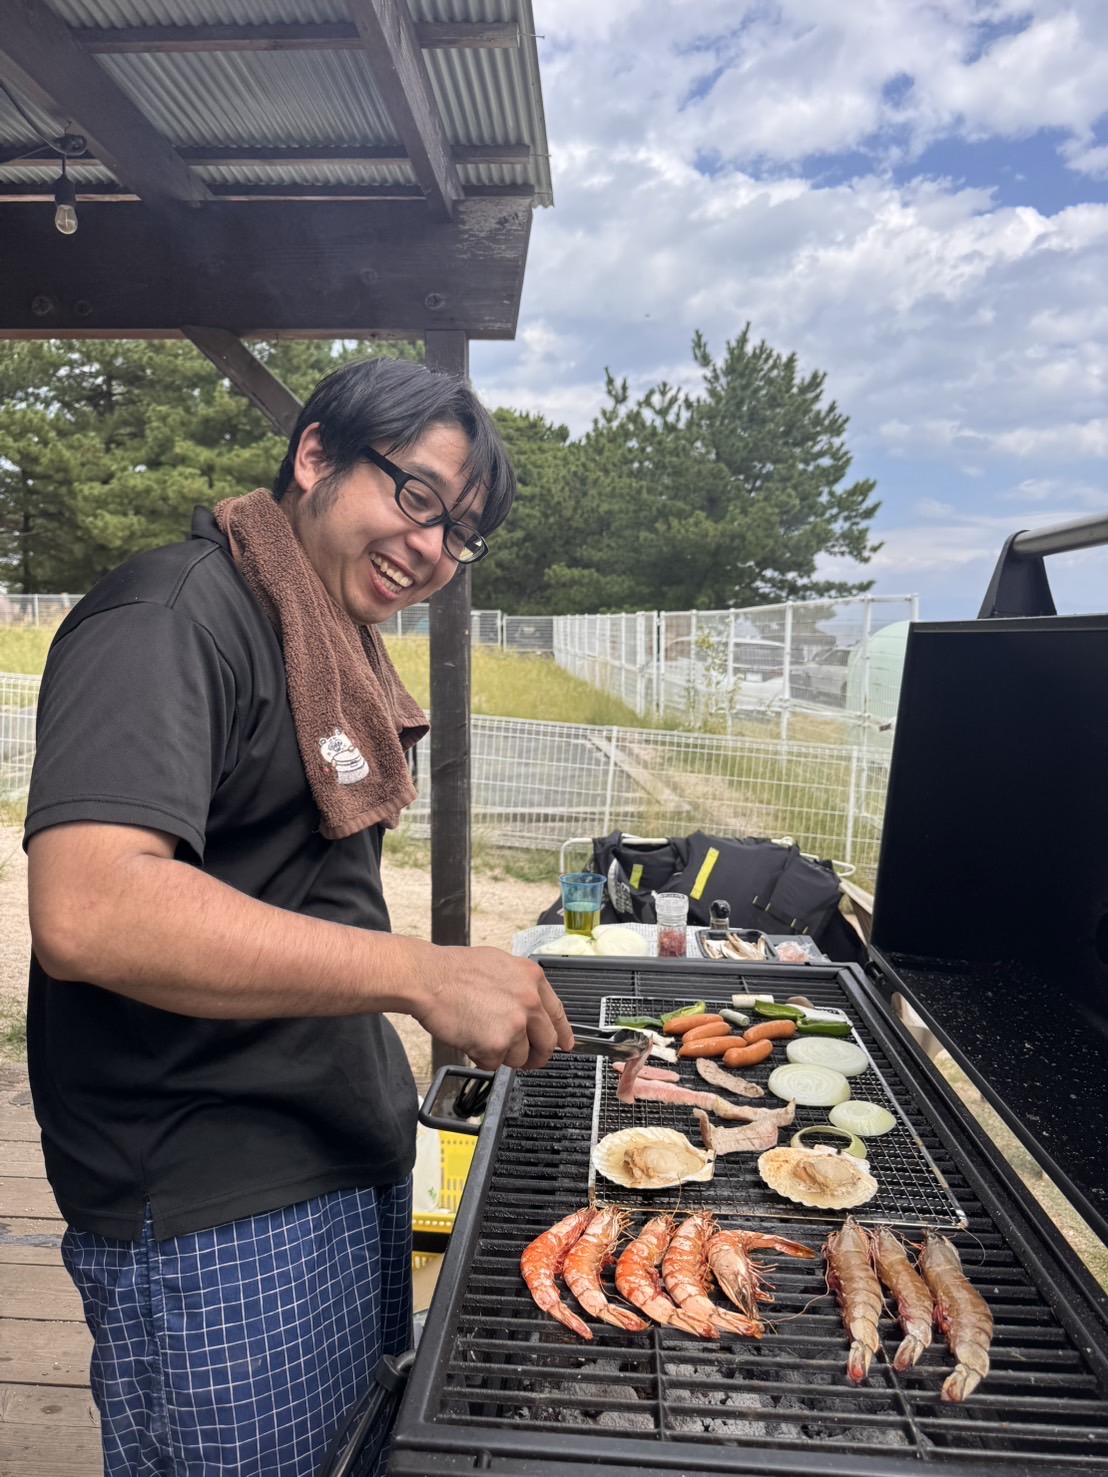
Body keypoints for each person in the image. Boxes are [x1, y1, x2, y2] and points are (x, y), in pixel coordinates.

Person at [24, 356, 573, 1476]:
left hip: (336, 1159)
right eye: (416, 495)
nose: (430, 547)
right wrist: (419, 971)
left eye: (460, 532)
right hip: (212, 1200)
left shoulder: (324, 634)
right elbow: (90, 905)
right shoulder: (172, 616)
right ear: (315, 455)